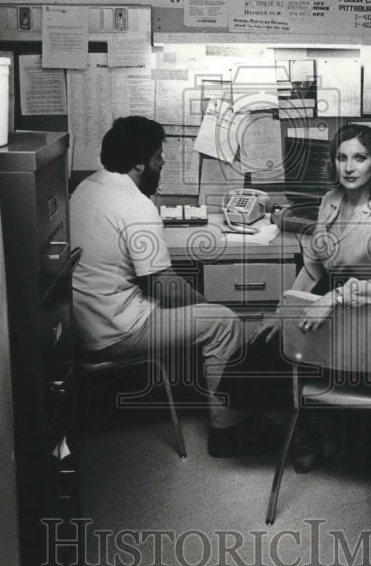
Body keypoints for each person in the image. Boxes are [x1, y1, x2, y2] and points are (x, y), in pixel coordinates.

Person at [70, 115, 269, 457]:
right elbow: (165, 287)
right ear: (139, 162)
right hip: (115, 332)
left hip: (83, 326)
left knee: (206, 314)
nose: (162, 164)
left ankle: (217, 404)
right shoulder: (135, 205)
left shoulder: (86, 189)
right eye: (158, 157)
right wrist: (207, 306)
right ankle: (228, 431)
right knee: (223, 322)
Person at [285, 122, 371, 472]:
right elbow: (314, 268)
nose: (349, 167)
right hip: (329, 307)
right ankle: (315, 431)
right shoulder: (330, 200)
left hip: (364, 318)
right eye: (341, 157)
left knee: (280, 359)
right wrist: (286, 307)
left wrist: (333, 298)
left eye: (360, 158)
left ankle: (318, 432)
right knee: (267, 345)